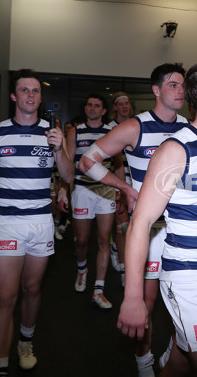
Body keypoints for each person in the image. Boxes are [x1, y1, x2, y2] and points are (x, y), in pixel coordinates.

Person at [117, 60, 197, 377]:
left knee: (179, 362)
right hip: (190, 279)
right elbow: (140, 224)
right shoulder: (175, 150)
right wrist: (133, 298)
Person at [79, 63, 189, 377]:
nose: (180, 90)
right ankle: (144, 363)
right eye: (173, 85)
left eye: (183, 86)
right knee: (148, 303)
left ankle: (177, 348)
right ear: (156, 90)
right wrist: (126, 187)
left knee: (187, 301)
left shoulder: (189, 127)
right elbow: (88, 161)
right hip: (150, 230)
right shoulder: (135, 127)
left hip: (185, 227)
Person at [0, 69, 74, 375]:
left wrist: (58, 147)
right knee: (5, 296)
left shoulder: (52, 133)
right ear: (14, 96)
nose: (30, 96)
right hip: (6, 222)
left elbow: (67, 176)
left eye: (35, 91)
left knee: (32, 288)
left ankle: (25, 340)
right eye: (24, 90)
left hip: (41, 223)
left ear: (40, 97)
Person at [65, 93, 121, 309]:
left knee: (104, 239)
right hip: (81, 190)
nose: (92, 108)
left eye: (97, 105)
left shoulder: (111, 132)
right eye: (89, 105)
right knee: (81, 240)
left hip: (105, 190)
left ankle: (99, 289)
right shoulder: (75, 131)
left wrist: (121, 190)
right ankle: (82, 269)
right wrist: (63, 189)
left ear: (104, 111)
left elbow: (117, 164)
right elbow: (68, 164)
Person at [105, 91, 135, 285]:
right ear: (115, 107)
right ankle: (125, 269)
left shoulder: (136, 125)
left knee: (131, 224)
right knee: (123, 224)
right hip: (116, 179)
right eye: (120, 104)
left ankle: (117, 248)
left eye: (127, 103)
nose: (124, 106)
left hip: (135, 180)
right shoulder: (108, 128)